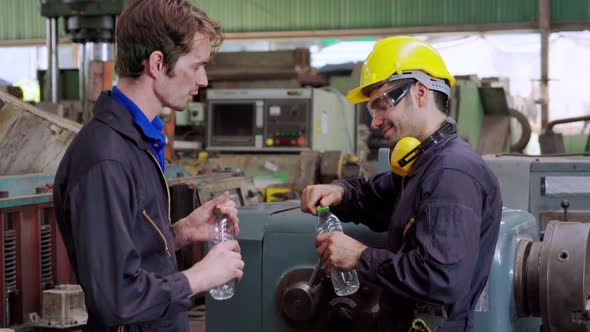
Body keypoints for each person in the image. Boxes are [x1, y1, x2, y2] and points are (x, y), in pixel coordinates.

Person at [52, 1, 244, 330]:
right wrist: (198, 277)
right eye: (196, 65)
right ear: (157, 63)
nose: (203, 79)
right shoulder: (106, 159)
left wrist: (179, 233)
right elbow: (116, 298)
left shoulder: (137, 141)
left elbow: (129, 250)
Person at [301, 36, 502, 332]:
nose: (376, 121)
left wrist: (360, 256)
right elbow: (378, 197)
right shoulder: (424, 162)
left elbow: (440, 277)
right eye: (373, 110)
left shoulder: (451, 173)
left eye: (381, 105)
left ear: (420, 93)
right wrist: (341, 193)